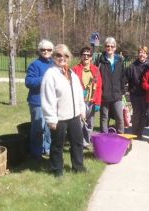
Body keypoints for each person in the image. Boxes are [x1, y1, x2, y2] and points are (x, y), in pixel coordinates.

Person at [41, 44, 86, 177]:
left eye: (65, 55)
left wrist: (81, 109)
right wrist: (51, 118)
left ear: (69, 58)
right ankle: (57, 169)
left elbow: (78, 93)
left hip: (74, 115)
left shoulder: (72, 73)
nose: (62, 58)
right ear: (54, 57)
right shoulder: (50, 74)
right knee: (57, 145)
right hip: (59, 117)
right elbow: (48, 98)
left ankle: (78, 166)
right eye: (59, 55)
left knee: (77, 142)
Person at [25, 39, 54, 159]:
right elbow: (29, 82)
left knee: (49, 128)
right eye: (43, 49)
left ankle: (47, 148)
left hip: (52, 102)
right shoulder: (34, 65)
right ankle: (36, 153)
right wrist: (44, 78)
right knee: (37, 128)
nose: (46, 51)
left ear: (52, 51)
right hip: (37, 102)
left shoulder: (55, 64)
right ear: (39, 51)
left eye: (49, 49)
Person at [73, 46, 102, 148]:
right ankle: (80, 141)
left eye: (88, 55)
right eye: (84, 54)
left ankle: (86, 141)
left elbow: (99, 87)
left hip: (92, 101)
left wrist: (98, 103)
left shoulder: (96, 70)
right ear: (81, 56)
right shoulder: (75, 69)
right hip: (80, 101)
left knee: (90, 123)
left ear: (91, 57)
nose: (86, 57)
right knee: (80, 122)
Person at [98, 37, 126, 134]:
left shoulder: (120, 61)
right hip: (104, 95)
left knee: (120, 117)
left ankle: (121, 138)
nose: (109, 48)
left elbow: (123, 77)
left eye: (111, 46)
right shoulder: (100, 61)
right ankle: (104, 138)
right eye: (107, 46)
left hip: (117, 94)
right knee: (104, 117)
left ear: (115, 48)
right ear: (105, 47)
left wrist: (122, 91)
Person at [125, 46, 149, 140]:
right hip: (134, 94)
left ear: (147, 55)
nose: (142, 54)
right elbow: (125, 79)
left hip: (145, 94)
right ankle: (135, 131)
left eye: (144, 53)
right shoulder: (132, 66)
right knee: (136, 113)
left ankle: (140, 132)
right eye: (140, 52)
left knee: (143, 114)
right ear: (138, 54)